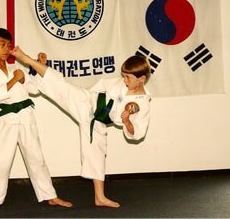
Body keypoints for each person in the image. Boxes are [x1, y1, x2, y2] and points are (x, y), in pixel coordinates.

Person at [10, 46, 152, 208]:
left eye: (128, 78)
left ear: (141, 79)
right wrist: (87, 96)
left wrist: (127, 121)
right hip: (88, 103)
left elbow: (138, 133)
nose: (124, 81)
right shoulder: (121, 84)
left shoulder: (143, 103)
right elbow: (100, 87)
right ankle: (27, 60)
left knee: (97, 153)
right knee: (60, 85)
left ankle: (100, 197)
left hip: (98, 120)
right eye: (124, 76)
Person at [0, 28, 72, 211]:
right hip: (7, 121)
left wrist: (37, 66)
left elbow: (34, 88)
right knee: (0, 160)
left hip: (26, 117)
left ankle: (49, 196)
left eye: (9, 45)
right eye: (2, 44)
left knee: (36, 158)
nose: (6, 48)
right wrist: (14, 80)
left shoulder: (16, 69)